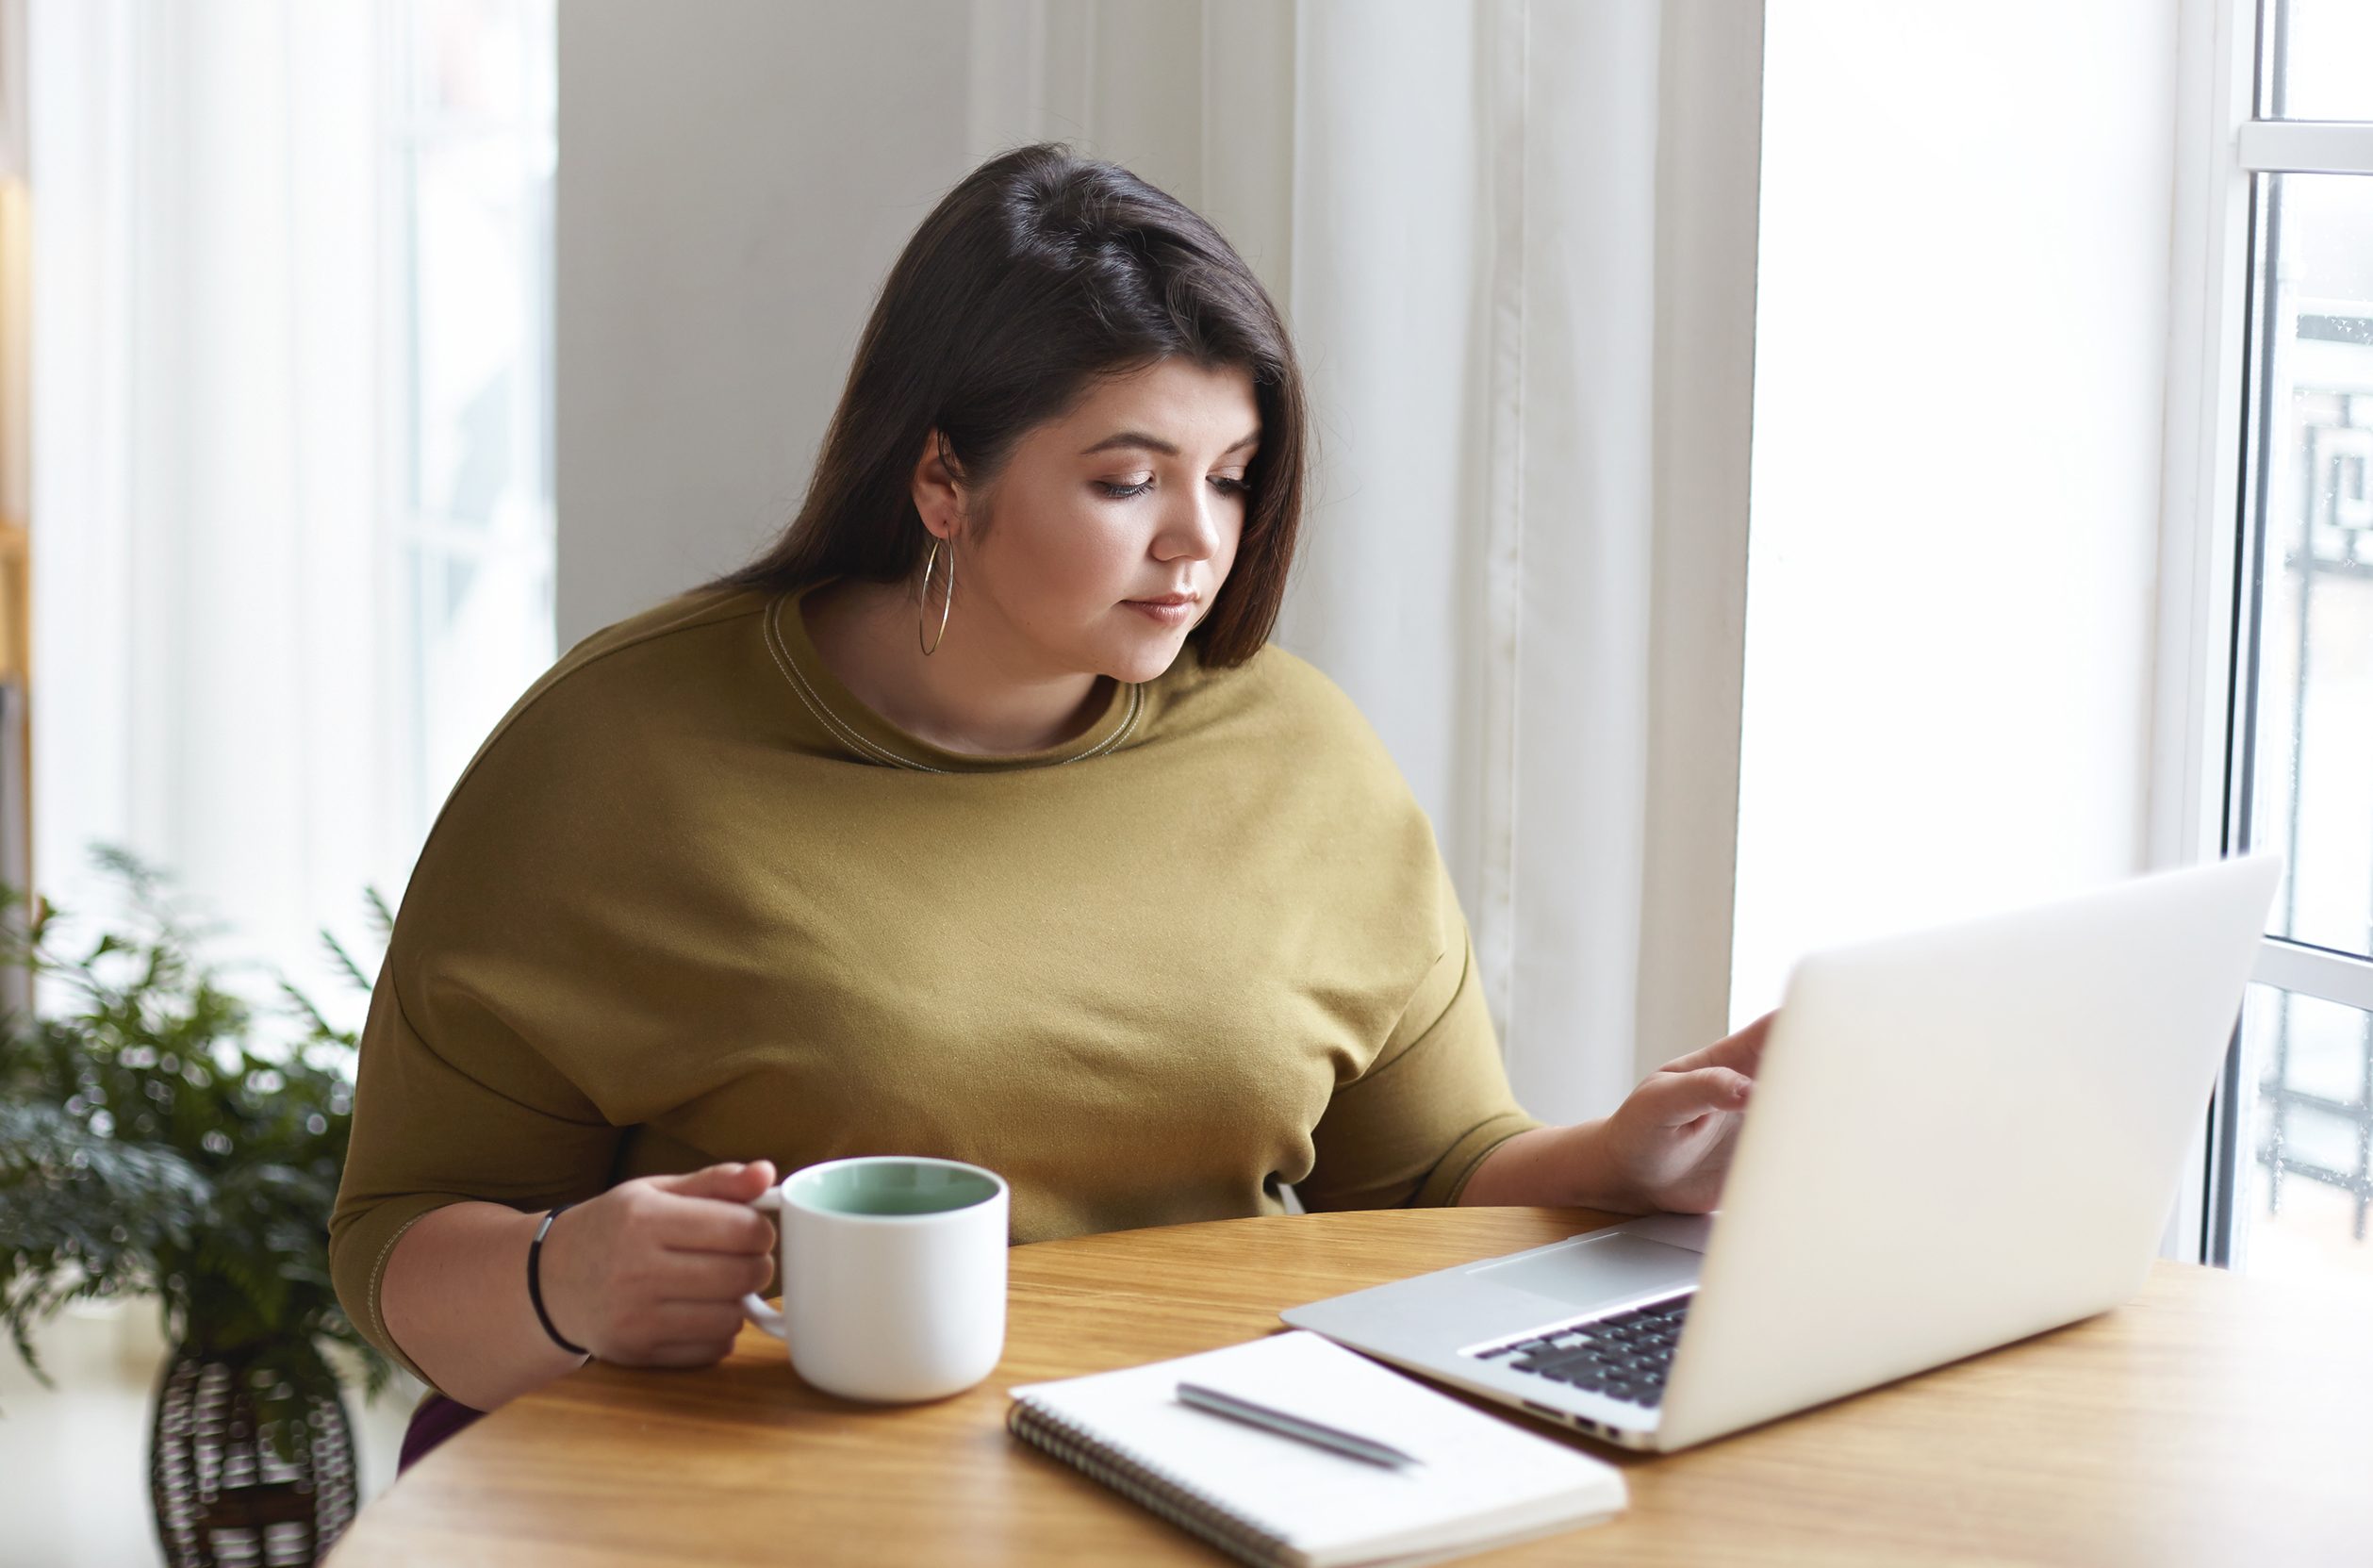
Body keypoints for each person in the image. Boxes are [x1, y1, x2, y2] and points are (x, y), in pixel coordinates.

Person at [329, 142, 1773, 1475]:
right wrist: (562, 1280)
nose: (1198, 542)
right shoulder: (616, 754)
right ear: (943, 477)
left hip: (1246, 1466)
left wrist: (1620, 1158)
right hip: (796, 1494)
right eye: (1127, 478)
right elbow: (396, 1236)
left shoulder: (1298, 748)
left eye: (1231, 476)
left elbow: (1428, 1175)